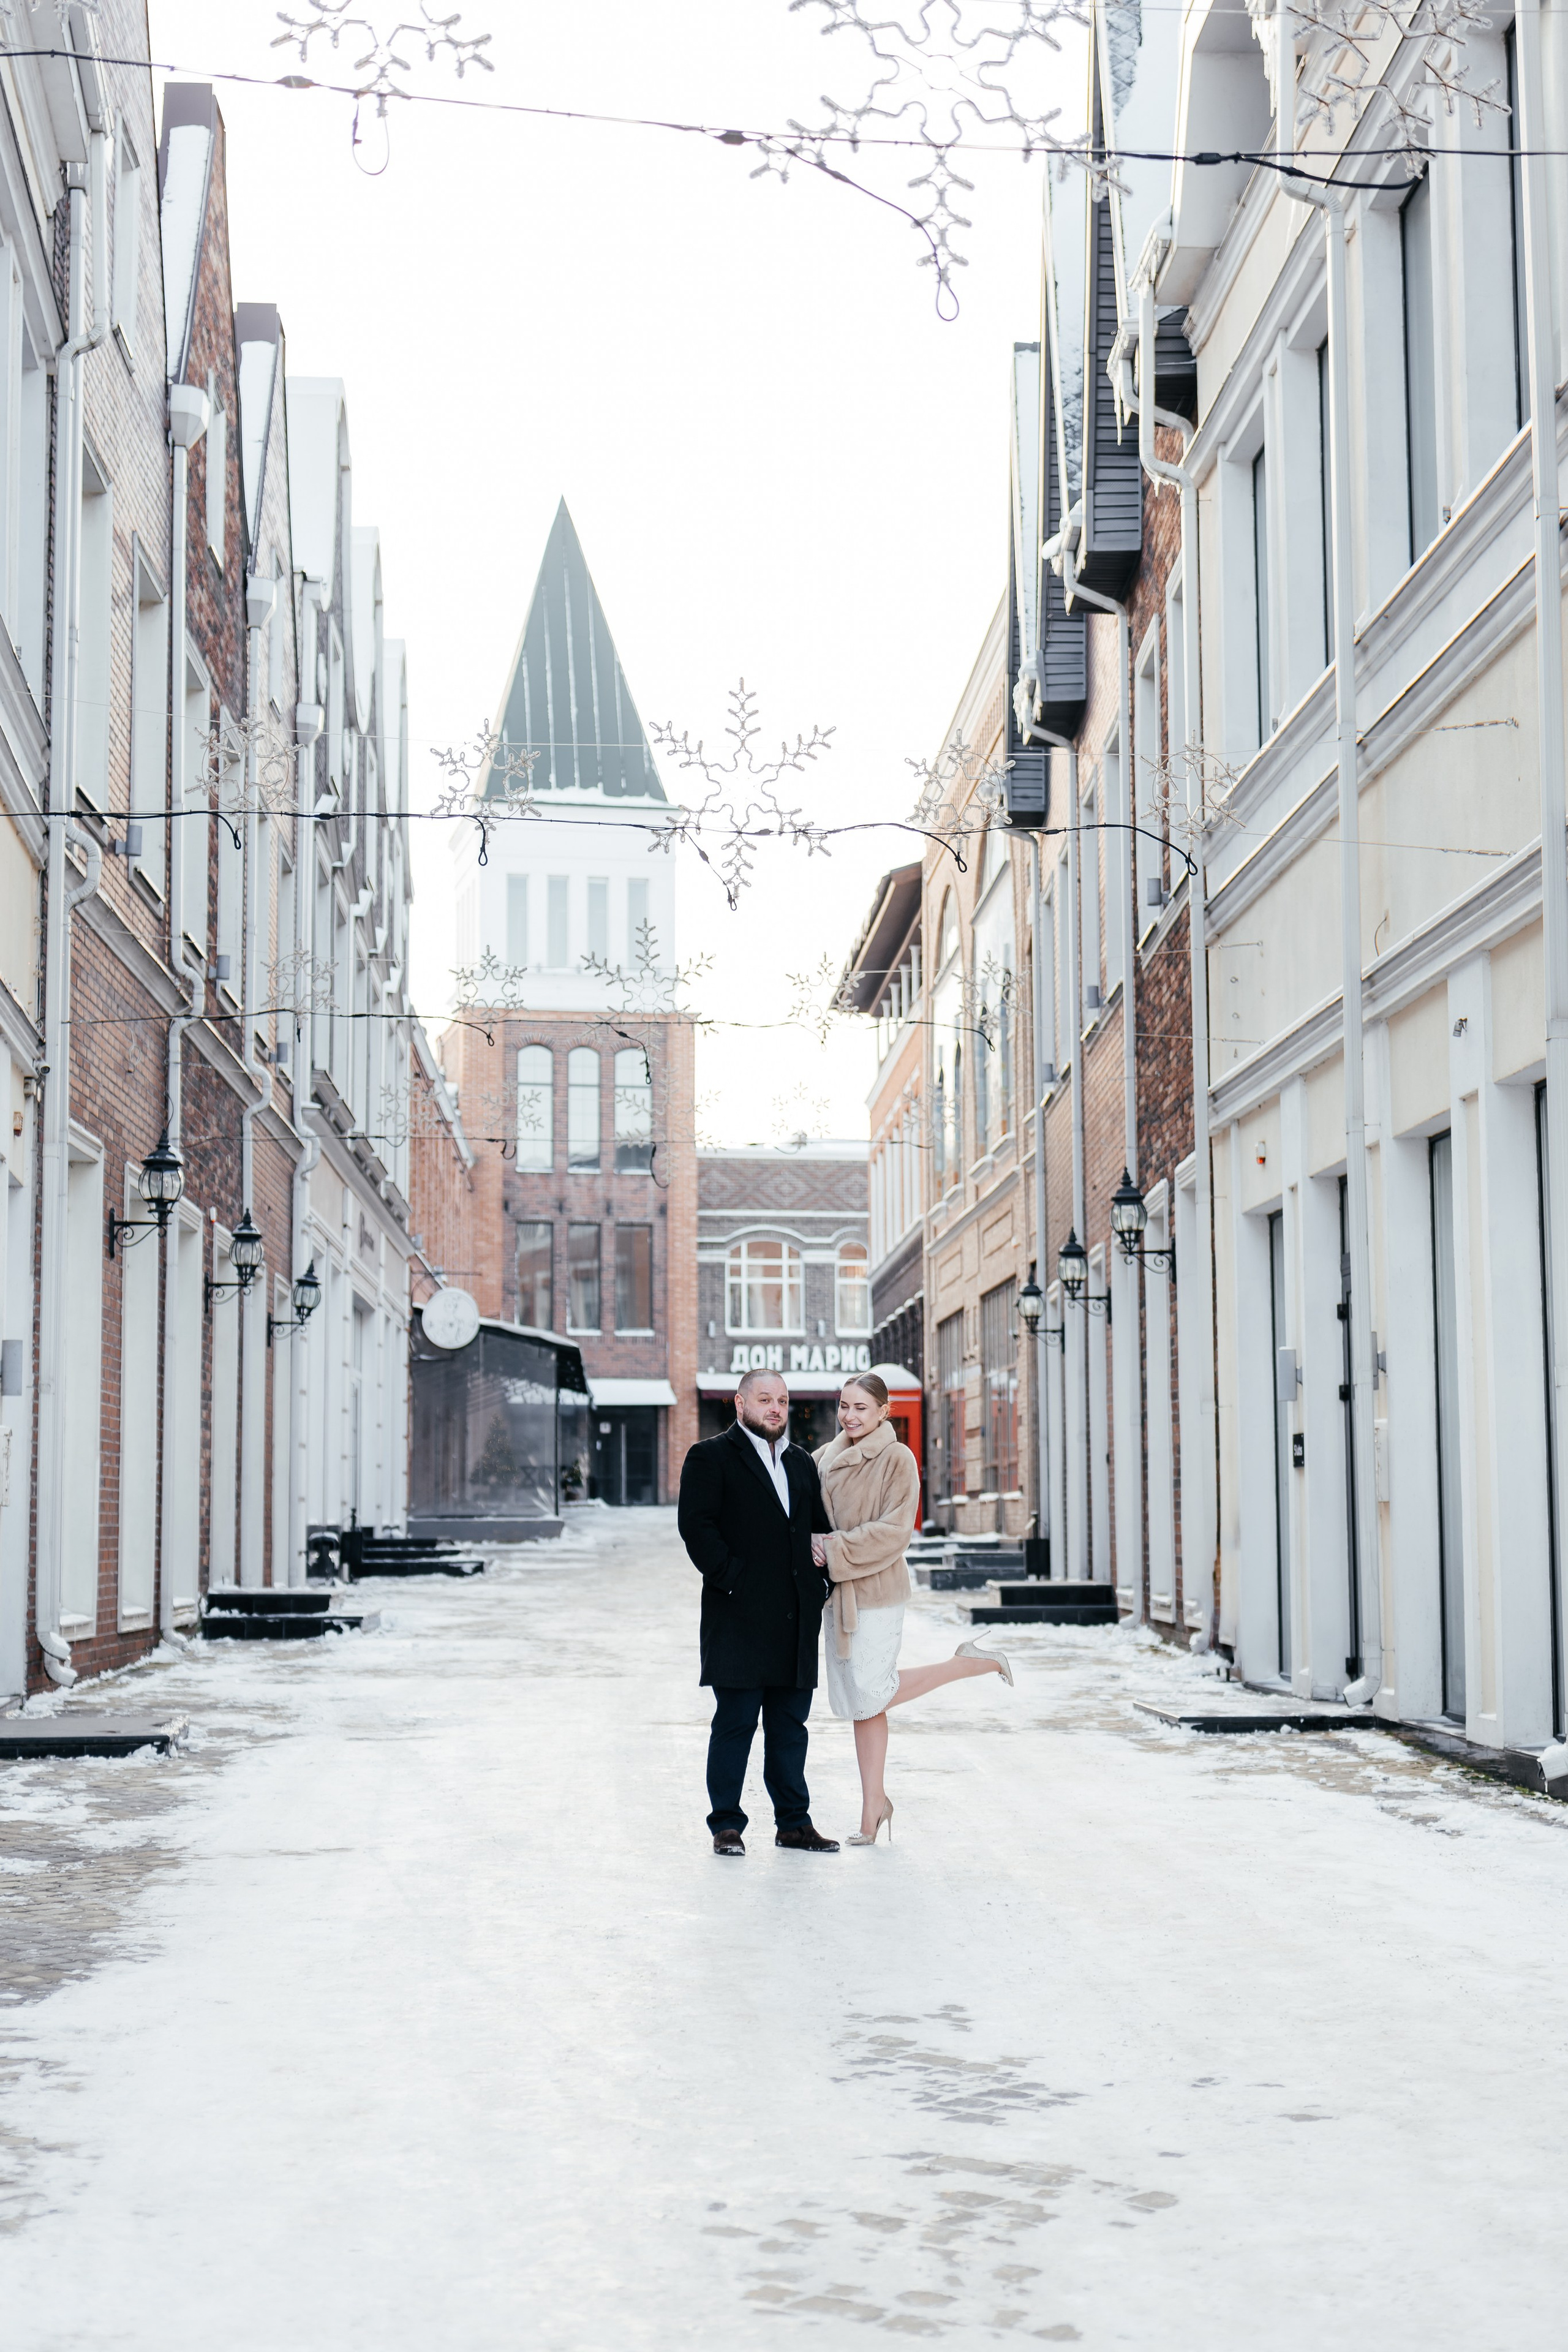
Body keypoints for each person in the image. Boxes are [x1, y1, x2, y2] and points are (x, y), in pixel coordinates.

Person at [814, 1374, 1011, 1845]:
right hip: (837, 1597)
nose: (851, 1416)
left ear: (884, 1411)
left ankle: (966, 1663)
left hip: (877, 1593)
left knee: (872, 1691)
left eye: (862, 1408)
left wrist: (835, 1548)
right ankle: (873, 1810)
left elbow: (896, 1530)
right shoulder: (823, 1457)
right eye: (845, 1406)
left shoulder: (898, 1458)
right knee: (862, 1705)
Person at [677, 1367, 840, 1858]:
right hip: (739, 1618)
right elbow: (697, 1528)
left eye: (784, 1401)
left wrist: (821, 1582)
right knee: (736, 1724)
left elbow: (818, 1530)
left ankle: (794, 1824)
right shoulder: (709, 1457)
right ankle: (726, 1825)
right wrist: (735, 1580)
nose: (776, 1408)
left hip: (795, 1620)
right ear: (740, 1404)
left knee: (791, 1730)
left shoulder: (800, 1463)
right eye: (766, 1399)